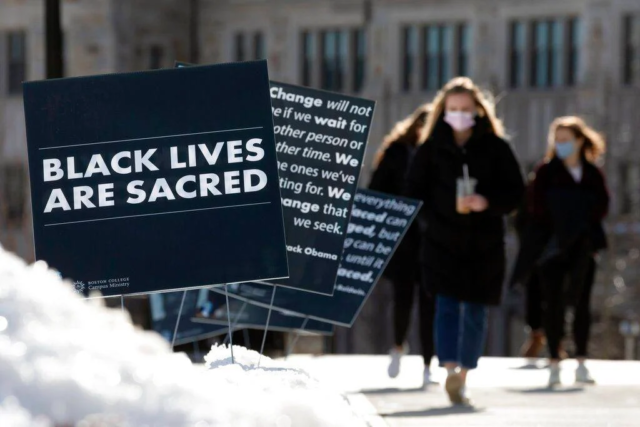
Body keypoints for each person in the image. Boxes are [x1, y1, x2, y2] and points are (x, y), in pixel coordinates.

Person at [405, 77, 524, 405]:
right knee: (445, 306)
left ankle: (463, 375)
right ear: (443, 111)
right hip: (441, 241)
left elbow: (515, 191)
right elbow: (413, 193)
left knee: (474, 309)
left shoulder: (496, 147)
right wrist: (432, 221)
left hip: (483, 243)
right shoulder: (430, 149)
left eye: (465, 109)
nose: (459, 115)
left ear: (478, 112)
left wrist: (487, 202)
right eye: (453, 109)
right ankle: (449, 368)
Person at [516, 116, 608, 387]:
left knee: (582, 304)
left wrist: (578, 222)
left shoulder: (592, 173)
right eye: (558, 140)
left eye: (566, 140)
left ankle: (581, 360)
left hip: (583, 247)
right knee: (553, 303)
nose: (561, 145)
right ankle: (554, 359)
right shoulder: (546, 172)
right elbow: (536, 207)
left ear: (580, 141)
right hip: (552, 248)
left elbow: (601, 206)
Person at [369, 104, 436, 389]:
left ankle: (428, 364)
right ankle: (397, 347)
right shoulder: (397, 152)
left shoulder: (440, 154)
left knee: (430, 302)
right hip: (402, 238)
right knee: (403, 298)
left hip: (432, 239)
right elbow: (375, 191)